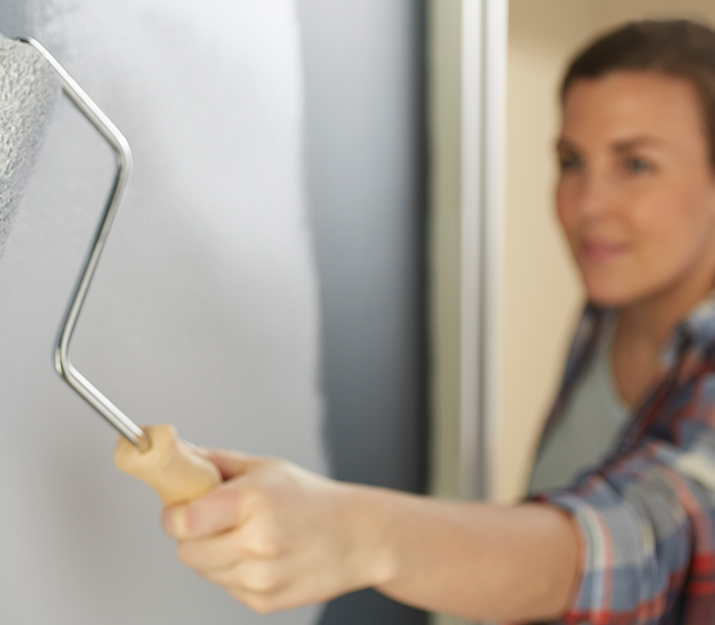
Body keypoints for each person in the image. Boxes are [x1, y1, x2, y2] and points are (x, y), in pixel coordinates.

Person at [161, 20, 715, 624]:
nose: (587, 204)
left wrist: (363, 535)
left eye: (636, 165)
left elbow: (642, 538)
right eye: (571, 160)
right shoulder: (609, 309)